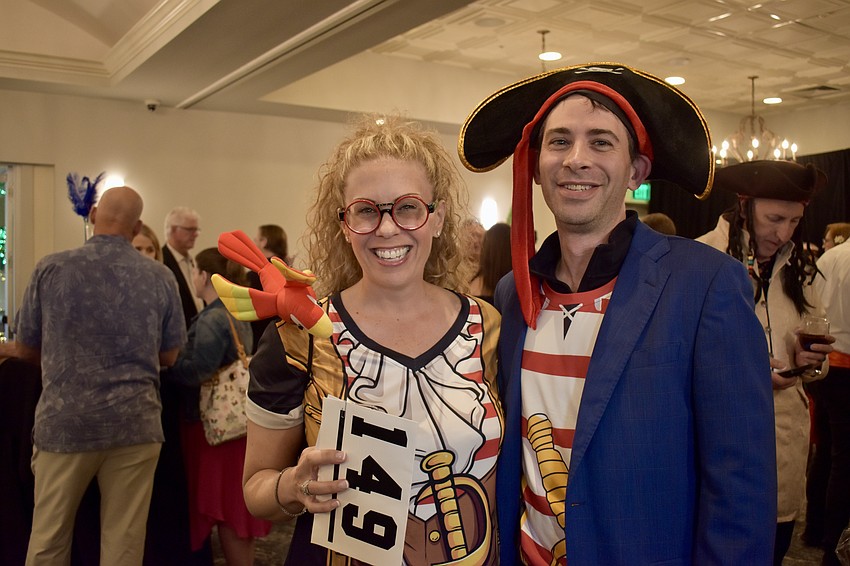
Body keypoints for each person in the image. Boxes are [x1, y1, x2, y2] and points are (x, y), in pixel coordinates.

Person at [458, 63, 777, 564]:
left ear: (636, 172)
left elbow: (740, 484)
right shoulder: (512, 296)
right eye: (559, 141)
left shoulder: (705, 284)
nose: (576, 159)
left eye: (601, 142)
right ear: (537, 164)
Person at [239, 115, 502, 565]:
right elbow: (254, 489)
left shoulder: (488, 326)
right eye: (366, 210)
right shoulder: (300, 337)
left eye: (407, 207)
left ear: (437, 219)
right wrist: (293, 486)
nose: (386, 229)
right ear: (343, 224)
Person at [12, 186, 186, 566]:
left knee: (48, 538)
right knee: (124, 545)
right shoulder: (160, 278)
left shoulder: (52, 267)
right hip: (136, 424)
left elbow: (25, 348)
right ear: (138, 225)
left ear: (92, 214)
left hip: (66, 423)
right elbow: (171, 354)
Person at [697, 159, 834, 564]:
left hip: (783, 449)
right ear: (745, 205)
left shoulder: (800, 270)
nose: (784, 232)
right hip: (720, 452)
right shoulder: (700, 259)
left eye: (794, 221)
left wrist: (810, 361)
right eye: (775, 218)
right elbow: (679, 360)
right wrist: (750, 375)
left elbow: (815, 362)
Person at [163, 247, 271, 566]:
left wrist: (169, 365)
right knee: (236, 511)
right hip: (237, 424)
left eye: (195, 271)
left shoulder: (212, 317)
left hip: (216, 428)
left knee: (227, 511)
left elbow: (198, 370)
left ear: (204, 276)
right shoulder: (236, 310)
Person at [806, 230, 850, 565]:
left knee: (827, 450)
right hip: (844, 364)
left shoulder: (832, 256)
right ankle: (834, 545)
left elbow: (812, 307)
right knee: (844, 458)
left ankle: (815, 529)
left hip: (824, 364)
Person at [247, 224, 289, 351]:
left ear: (264, 242)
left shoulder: (256, 275)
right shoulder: (291, 272)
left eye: (256, 239)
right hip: (290, 341)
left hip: (263, 340)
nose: (254, 242)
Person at [163, 207, 203, 328]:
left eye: (196, 230)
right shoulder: (161, 261)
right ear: (173, 230)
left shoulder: (193, 261)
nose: (195, 234)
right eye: (190, 229)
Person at [469, 222, 512, 304]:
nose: (475, 241)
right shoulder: (513, 286)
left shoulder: (471, 286)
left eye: (478, 236)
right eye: (473, 235)